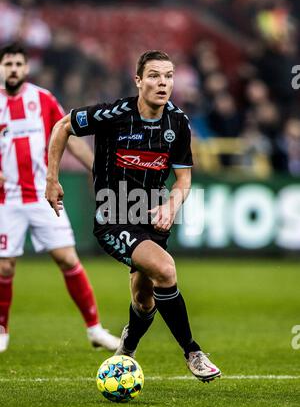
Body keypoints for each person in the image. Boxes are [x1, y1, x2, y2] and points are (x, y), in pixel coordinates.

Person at [45, 50, 221, 382]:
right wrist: (52, 178)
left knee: (144, 300)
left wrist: (171, 205)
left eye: (168, 76)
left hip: (152, 216)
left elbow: (183, 180)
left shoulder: (178, 123)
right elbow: (62, 126)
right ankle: (193, 351)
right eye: (154, 75)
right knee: (166, 270)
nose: (163, 82)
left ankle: (126, 349)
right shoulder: (114, 114)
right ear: (138, 80)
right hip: (112, 215)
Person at [0, 43, 120, 352]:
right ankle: (2, 330)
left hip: (43, 195)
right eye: (8, 64)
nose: (13, 69)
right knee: (5, 267)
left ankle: (95, 329)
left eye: (18, 63)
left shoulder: (41, 99)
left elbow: (67, 135)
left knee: (68, 258)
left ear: (26, 68)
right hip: (6, 200)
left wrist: (97, 169)